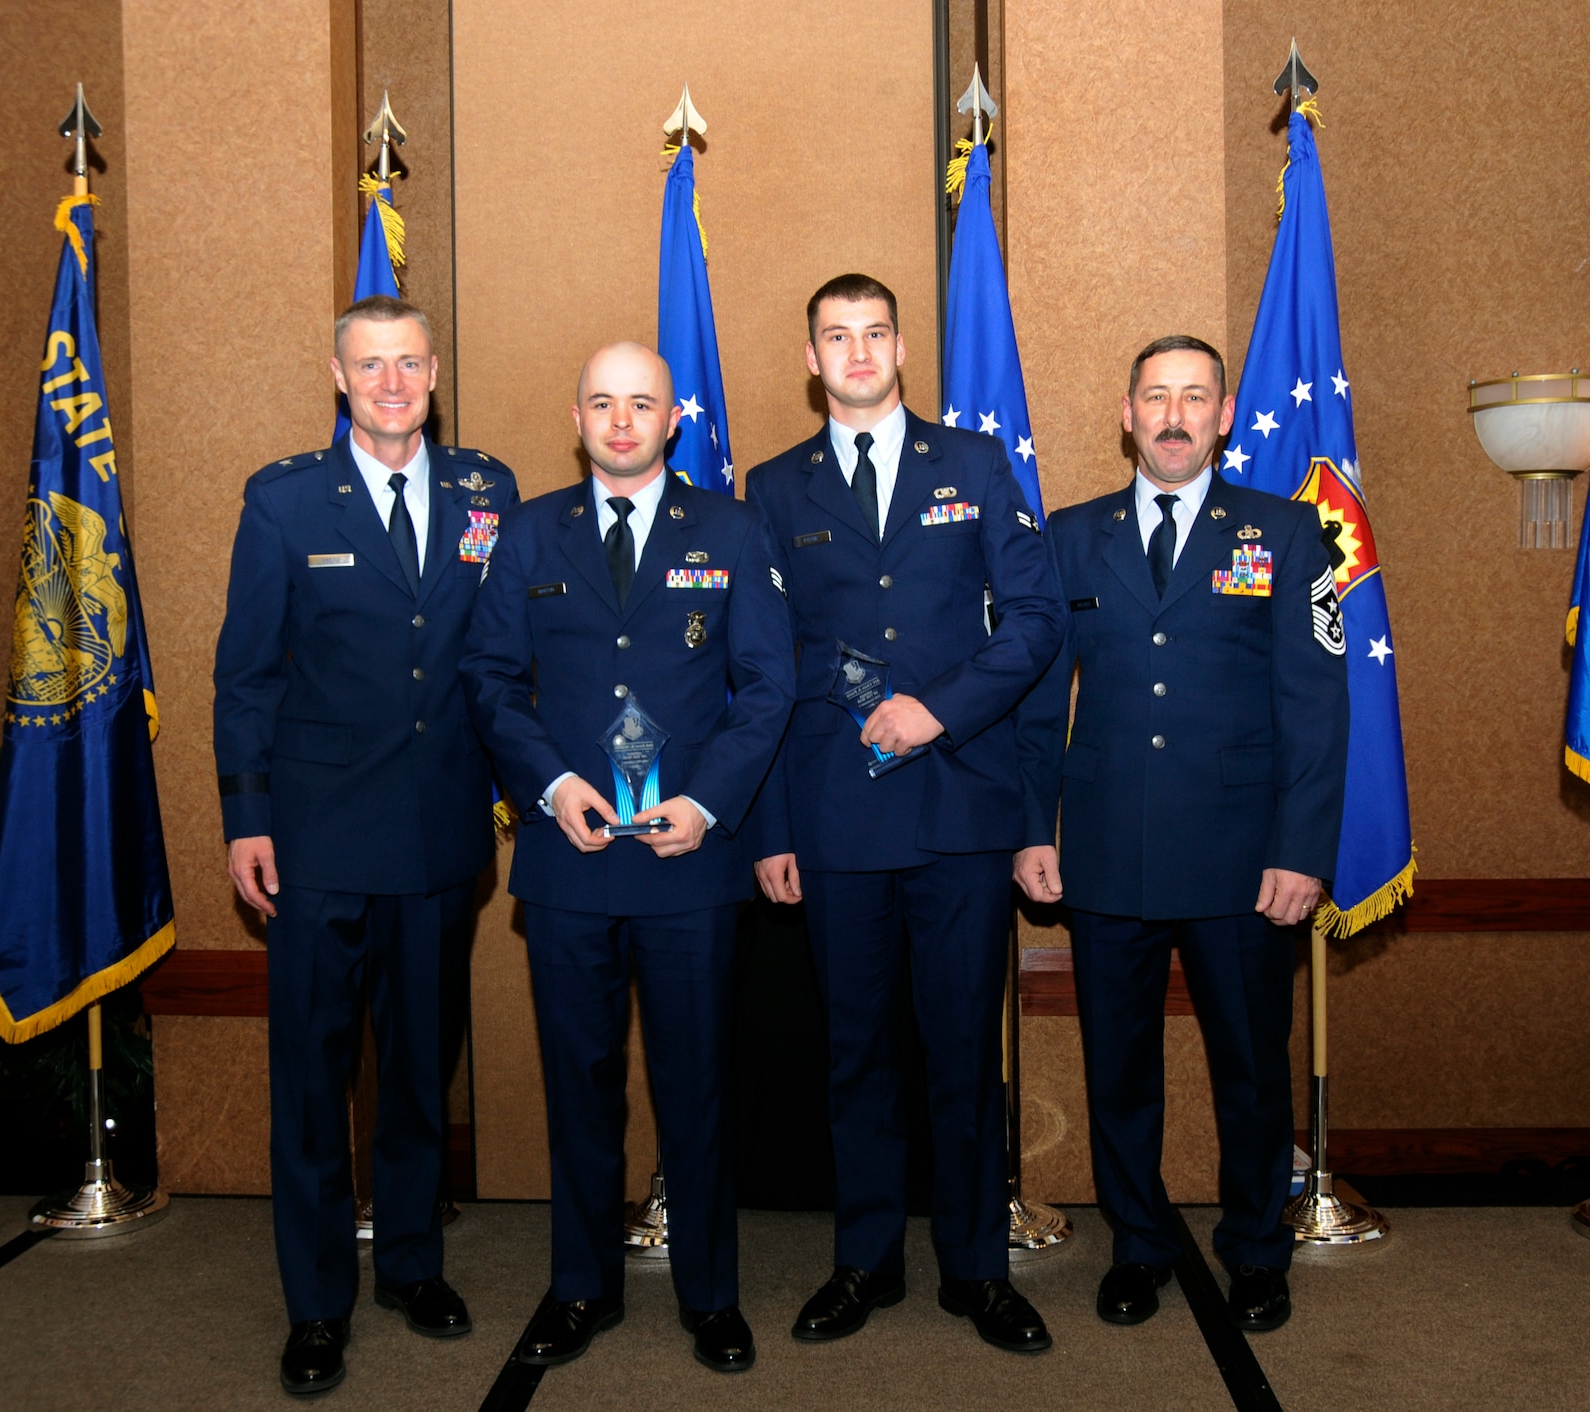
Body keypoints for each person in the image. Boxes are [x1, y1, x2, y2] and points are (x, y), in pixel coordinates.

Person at [460, 342, 794, 1374]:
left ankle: (710, 1293)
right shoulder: (526, 532)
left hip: (689, 862)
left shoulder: (730, 529)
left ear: (670, 419)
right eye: (601, 402)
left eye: (639, 402)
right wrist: (551, 787)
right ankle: (579, 1286)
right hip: (569, 860)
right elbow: (488, 678)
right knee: (579, 1084)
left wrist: (705, 802)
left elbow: (767, 684)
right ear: (576, 414)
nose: (619, 419)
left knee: (696, 1086)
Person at [744, 274, 1063, 1354]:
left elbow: (1032, 619)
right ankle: (865, 1258)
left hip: (957, 804)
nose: (856, 350)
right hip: (833, 815)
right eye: (834, 335)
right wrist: (771, 825)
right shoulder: (773, 487)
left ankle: (976, 1267)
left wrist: (942, 710)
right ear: (811, 356)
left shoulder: (970, 465)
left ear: (899, 346)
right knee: (853, 1050)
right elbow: (763, 660)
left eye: (873, 332)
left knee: (963, 1049)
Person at [213, 296, 519, 1395]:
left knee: (417, 1075)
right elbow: (246, 672)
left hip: (440, 835)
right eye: (369, 365)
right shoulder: (285, 498)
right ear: (338, 376)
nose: (391, 383)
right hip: (316, 840)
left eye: (408, 364)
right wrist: (246, 814)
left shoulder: (489, 489)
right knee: (312, 1077)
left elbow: (502, 659)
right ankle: (315, 1303)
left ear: (434, 371)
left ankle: (409, 1263)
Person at [1013, 334, 1349, 1333]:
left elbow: (1316, 704)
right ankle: (1140, 1242)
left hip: (1244, 858)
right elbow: (1036, 705)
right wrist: (1033, 829)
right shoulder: (1068, 536)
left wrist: (1301, 850)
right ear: (1125, 413)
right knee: (1118, 1066)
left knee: (1250, 1069)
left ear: (1222, 412)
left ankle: (1254, 1246)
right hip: (1106, 850)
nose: (1172, 414)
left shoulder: (1287, 535)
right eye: (1154, 396)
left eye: (1192, 397)